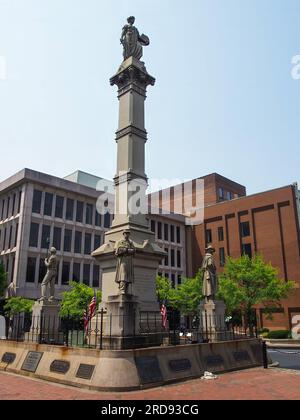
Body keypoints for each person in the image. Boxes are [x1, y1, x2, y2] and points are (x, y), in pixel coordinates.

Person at [115, 230, 135, 295]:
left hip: (129, 260)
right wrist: (126, 250)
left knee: (128, 275)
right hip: (123, 260)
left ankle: (126, 289)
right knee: (123, 274)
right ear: (123, 234)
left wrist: (127, 250)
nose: (127, 235)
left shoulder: (131, 242)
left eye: (128, 233)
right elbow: (118, 251)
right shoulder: (120, 242)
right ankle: (122, 289)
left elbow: (134, 250)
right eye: (126, 233)